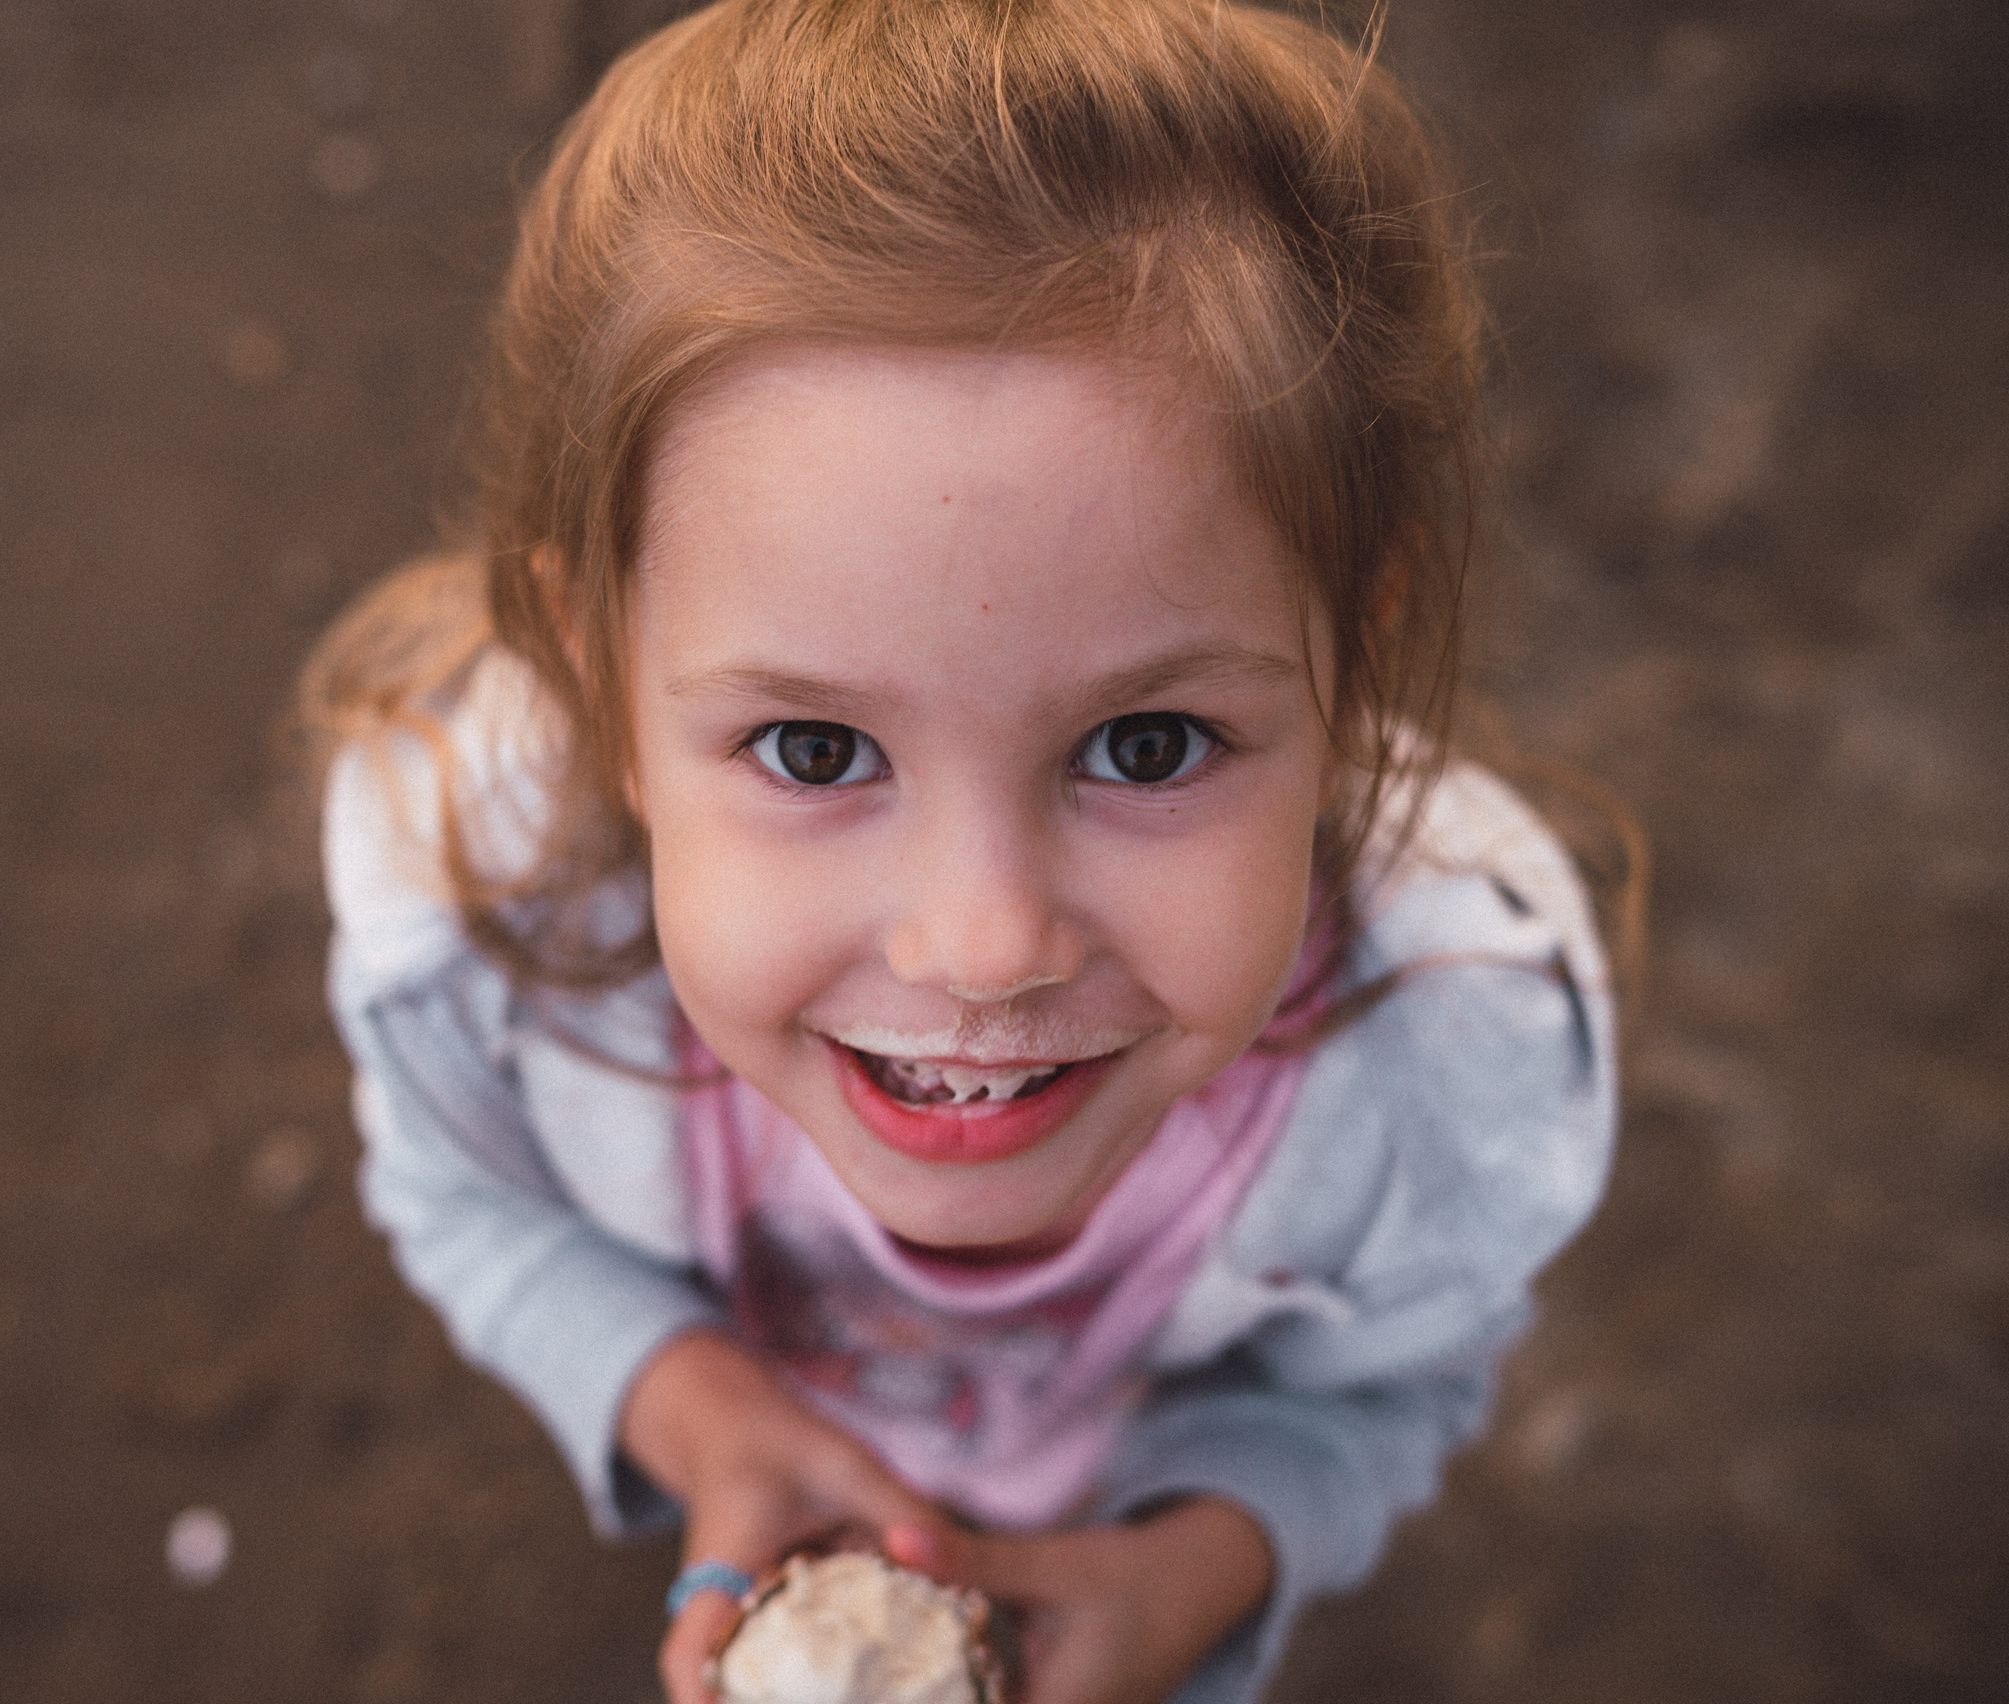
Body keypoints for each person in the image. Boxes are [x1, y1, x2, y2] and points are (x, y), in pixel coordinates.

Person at [300, 3, 1622, 1700]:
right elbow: (459, 1194)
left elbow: (1388, 1387)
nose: (986, 945)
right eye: (815, 749)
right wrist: (699, 1412)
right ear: (601, 681)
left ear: (1354, 669)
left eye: (1146, 748)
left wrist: (1206, 1565)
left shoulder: (1438, 1079)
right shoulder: (487, 932)